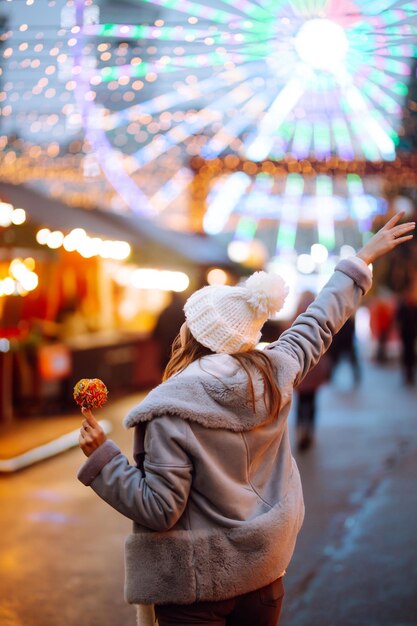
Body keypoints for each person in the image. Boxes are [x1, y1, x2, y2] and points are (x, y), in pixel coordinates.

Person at [77, 213, 414, 626]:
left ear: (196, 334)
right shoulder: (277, 371)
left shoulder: (171, 408)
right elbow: (321, 320)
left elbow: (160, 508)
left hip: (196, 587)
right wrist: (360, 259)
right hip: (264, 571)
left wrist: (103, 460)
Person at [293, 291, 330, 451]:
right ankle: (310, 429)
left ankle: (301, 429)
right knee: (312, 401)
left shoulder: (294, 319)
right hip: (315, 368)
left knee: (301, 402)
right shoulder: (319, 320)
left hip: (299, 369)